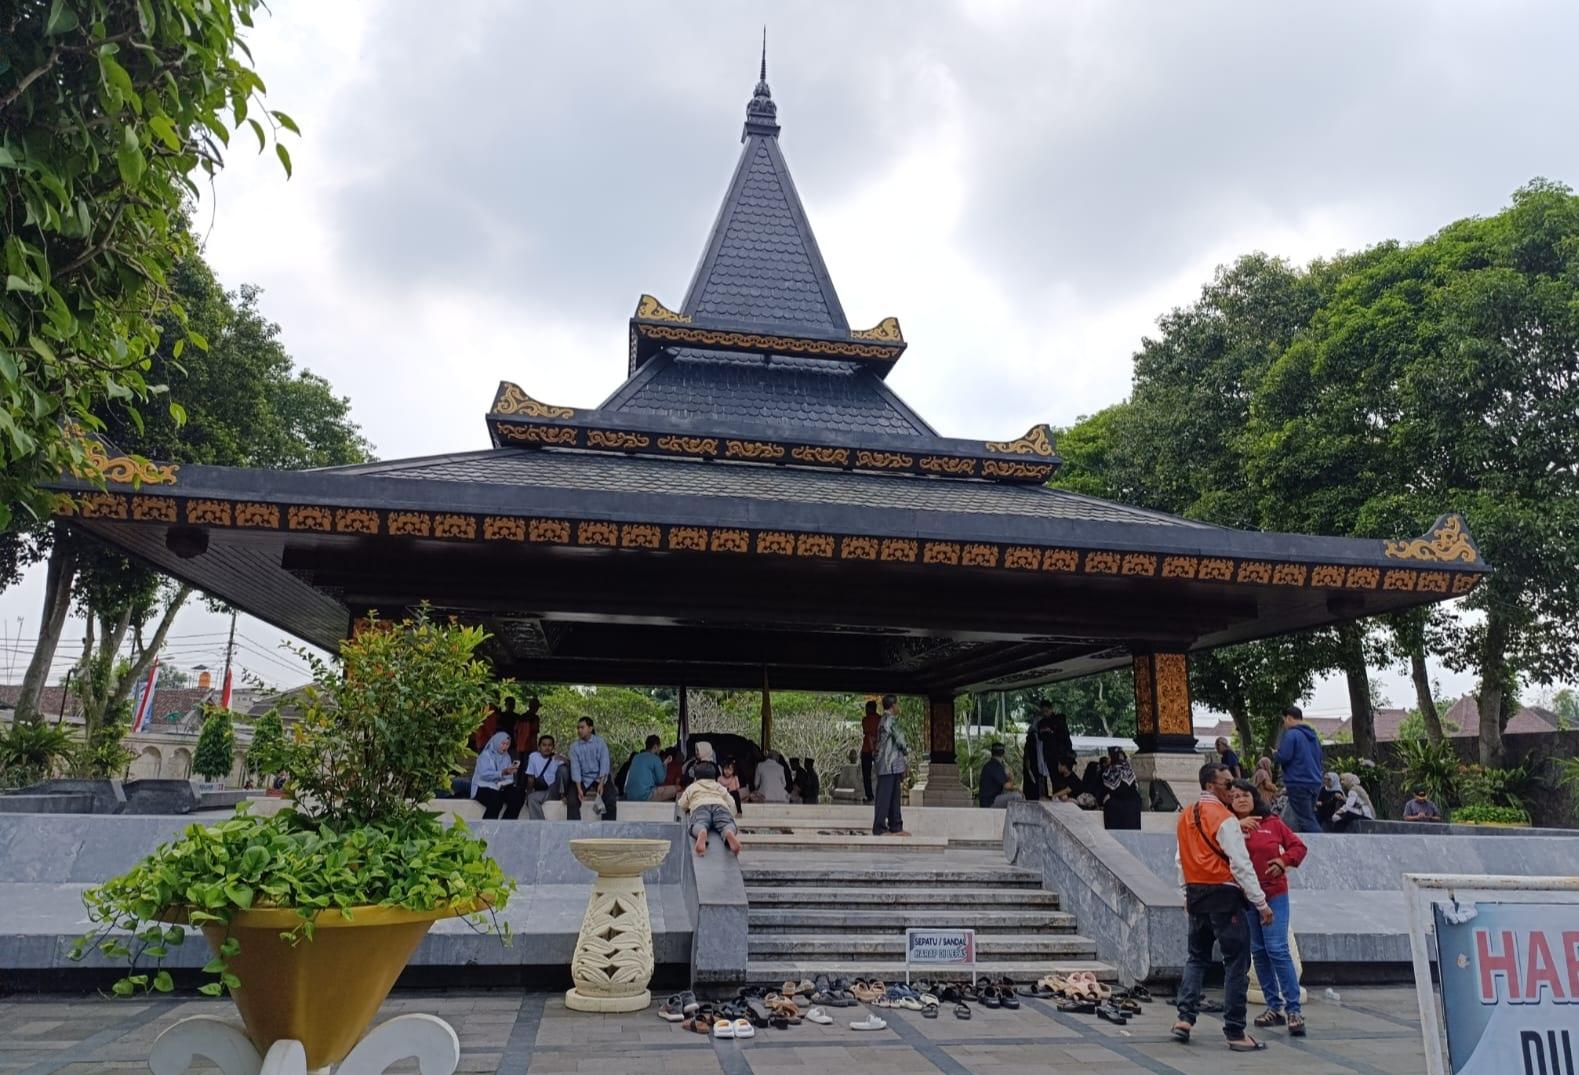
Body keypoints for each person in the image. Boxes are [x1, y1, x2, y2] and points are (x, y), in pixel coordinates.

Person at [1172, 762, 1273, 1052]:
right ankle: (1235, 1031)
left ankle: (1184, 1018)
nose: (1233, 789)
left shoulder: (1184, 816)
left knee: (1196, 958)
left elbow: (1180, 860)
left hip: (1196, 894)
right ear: (1210, 786)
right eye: (1227, 784)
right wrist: (1261, 903)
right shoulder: (1224, 818)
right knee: (1236, 963)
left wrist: (1186, 895)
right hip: (1224, 895)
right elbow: (1241, 865)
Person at [1227, 778, 1309, 1037]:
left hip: (1274, 894)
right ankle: (1274, 1006)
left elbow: (1298, 846)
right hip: (1245, 898)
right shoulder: (1228, 828)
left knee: (1277, 948)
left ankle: (1293, 1008)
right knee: (1259, 951)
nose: (1240, 799)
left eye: (1245, 795)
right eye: (1235, 796)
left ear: (1254, 798)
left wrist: (1284, 861)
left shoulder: (1272, 823)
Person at [1272, 705, 1325, 833]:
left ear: (1289, 718)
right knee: (1308, 817)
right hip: (1315, 783)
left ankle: (1325, 845)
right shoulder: (1313, 736)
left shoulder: (1292, 734)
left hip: (1298, 782)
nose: (1284, 725)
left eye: (1284, 721)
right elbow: (1319, 758)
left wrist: (1276, 754)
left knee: (1306, 820)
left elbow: (1285, 757)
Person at [678, 761, 742, 857]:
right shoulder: (718, 786)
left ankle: (701, 832)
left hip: (700, 807)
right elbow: (731, 802)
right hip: (719, 806)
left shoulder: (693, 787)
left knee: (699, 823)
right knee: (727, 823)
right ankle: (728, 832)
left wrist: (688, 806)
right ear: (714, 778)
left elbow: (682, 804)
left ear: (695, 778)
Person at [872, 694, 909, 836]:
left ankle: (896, 825)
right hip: (889, 764)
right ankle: (880, 827)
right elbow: (901, 741)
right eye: (897, 705)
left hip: (889, 765)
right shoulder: (891, 720)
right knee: (885, 796)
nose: (898, 707)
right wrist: (907, 752)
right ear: (893, 706)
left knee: (893, 796)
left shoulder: (883, 720)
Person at [567, 717, 617, 821]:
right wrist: (579, 788)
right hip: (582, 778)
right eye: (578, 728)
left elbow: (604, 763)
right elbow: (575, 768)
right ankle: (574, 829)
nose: (579, 730)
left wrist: (602, 783)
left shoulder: (600, 743)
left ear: (590, 728)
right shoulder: (574, 747)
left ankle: (608, 829)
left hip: (600, 777)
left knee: (610, 800)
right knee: (572, 800)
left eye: (582, 727)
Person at [470, 732, 524, 819]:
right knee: (496, 799)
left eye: (507, 744)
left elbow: (509, 778)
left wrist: (508, 775)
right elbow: (484, 775)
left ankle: (506, 824)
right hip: (482, 787)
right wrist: (502, 773)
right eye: (503, 744)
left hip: (500, 787)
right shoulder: (485, 756)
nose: (505, 747)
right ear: (496, 742)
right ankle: (487, 829)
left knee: (518, 795)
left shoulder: (507, 757)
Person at [521, 734, 567, 820]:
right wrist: (528, 794)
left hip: (555, 790)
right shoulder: (533, 757)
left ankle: (564, 795)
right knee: (532, 798)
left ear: (553, 747)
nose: (547, 748)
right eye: (544, 745)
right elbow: (530, 777)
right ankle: (539, 826)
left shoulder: (556, 758)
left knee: (563, 769)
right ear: (539, 747)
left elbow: (570, 771)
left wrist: (565, 760)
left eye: (550, 745)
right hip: (544, 792)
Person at [624, 735, 676, 803]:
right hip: (645, 795)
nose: (660, 749)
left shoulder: (636, 757)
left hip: (630, 796)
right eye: (659, 747)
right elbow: (661, 780)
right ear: (655, 747)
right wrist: (665, 764)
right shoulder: (655, 758)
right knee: (678, 788)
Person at [1101, 747, 1143, 830]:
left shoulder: (1108, 772)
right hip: (1133, 804)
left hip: (1117, 804)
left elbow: (1119, 790)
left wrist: (1110, 795)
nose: (1108, 759)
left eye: (1109, 756)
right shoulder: (1129, 770)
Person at [978, 742, 1014, 808]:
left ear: (992, 753)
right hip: (990, 802)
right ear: (1003, 753)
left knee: (1011, 794)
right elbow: (1008, 786)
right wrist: (1010, 776)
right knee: (1017, 796)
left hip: (986, 801)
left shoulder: (989, 764)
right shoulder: (996, 766)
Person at [859, 700, 879, 803]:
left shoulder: (865, 720)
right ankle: (881, 795)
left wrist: (872, 750)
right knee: (881, 774)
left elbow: (869, 736)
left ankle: (870, 796)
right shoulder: (880, 719)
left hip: (867, 750)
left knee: (866, 775)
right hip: (880, 749)